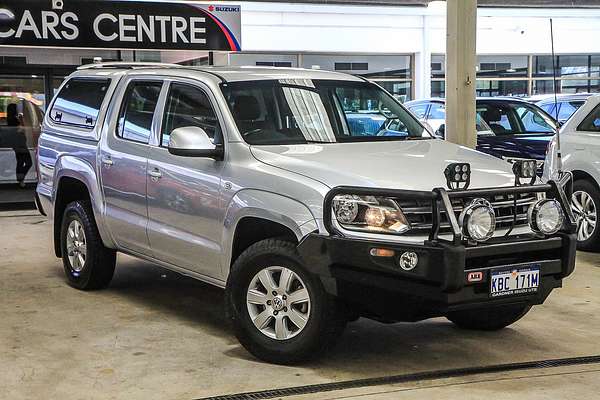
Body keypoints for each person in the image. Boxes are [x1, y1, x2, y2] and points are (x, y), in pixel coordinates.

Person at [6, 103, 32, 188]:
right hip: (20, 144)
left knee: (20, 161)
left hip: (17, 144)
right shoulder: (14, 120)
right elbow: (21, 129)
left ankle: (20, 180)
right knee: (28, 162)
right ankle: (20, 179)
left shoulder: (10, 119)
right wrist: (21, 119)